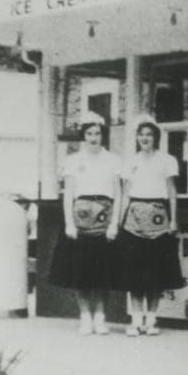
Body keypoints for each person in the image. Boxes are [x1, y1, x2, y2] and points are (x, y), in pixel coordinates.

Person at [48, 112, 122, 335]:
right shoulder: (72, 161)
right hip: (80, 221)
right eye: (89, 133)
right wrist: (69, 223)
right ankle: (85, 317)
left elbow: (118, 194)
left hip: (104, 220)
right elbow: (68, 193)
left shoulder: (113, 160)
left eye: (97, 133)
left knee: (102, 273)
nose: (93, 138)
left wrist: (114, 224)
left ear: (103, 135)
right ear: (83, 136)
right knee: (80, 273)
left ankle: (100, 317)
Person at [114, 115, 186, 337]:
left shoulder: (167, 160)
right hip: (133, 221)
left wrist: (173, 219)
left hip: (159, 219)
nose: (145, 138)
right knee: (135, 273)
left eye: (149, 134)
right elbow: (125, 194)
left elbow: (172, 191)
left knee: (156, 272)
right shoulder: (130, 161)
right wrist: (119, 222)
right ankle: (136, 320)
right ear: (137, 137)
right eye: (142, 134)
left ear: (156, 137)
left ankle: (152, 320)